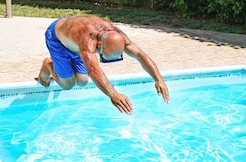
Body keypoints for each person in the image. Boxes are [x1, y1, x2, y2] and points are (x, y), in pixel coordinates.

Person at [37, 15, 169, 115]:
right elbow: (93, 70)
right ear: (98, 45)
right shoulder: (87, 40)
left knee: (82, 81)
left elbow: (140, 54)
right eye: (104, 56)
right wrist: (113, 94)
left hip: (74, 40)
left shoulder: (116, 34)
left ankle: (64, 67)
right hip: (58, 40)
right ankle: (48, 64)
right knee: (68, 84)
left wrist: (159, 79)